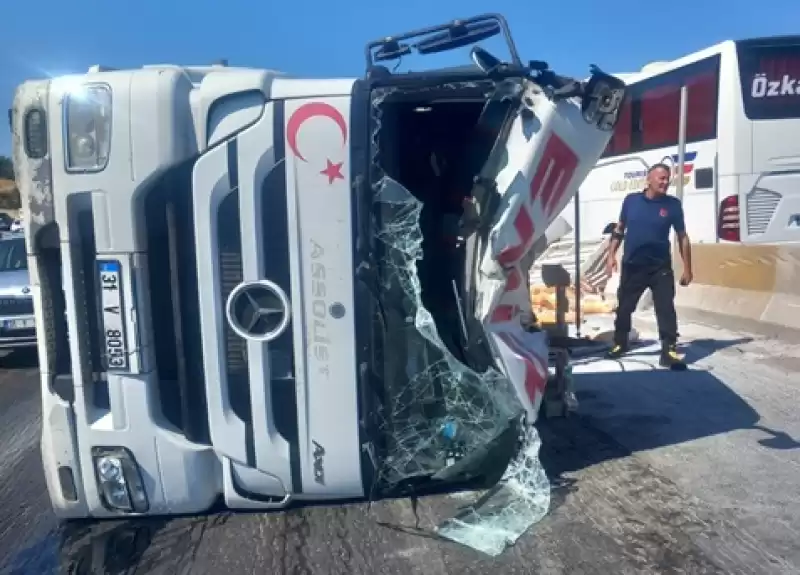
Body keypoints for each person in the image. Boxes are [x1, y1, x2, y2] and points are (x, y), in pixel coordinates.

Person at [604, 163, 693, 369]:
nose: (665, 182)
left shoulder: (673, 205)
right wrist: (611, 255)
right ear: (649, 179)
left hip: (660, 267)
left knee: (665, 308)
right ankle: (620, 342)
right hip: (633, 266)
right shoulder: (631, 201)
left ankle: (669, 349)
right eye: (661, 178)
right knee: (625, 307)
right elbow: (619, 229)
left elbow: (682, 237)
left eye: (667, 178)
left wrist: (688, 268)